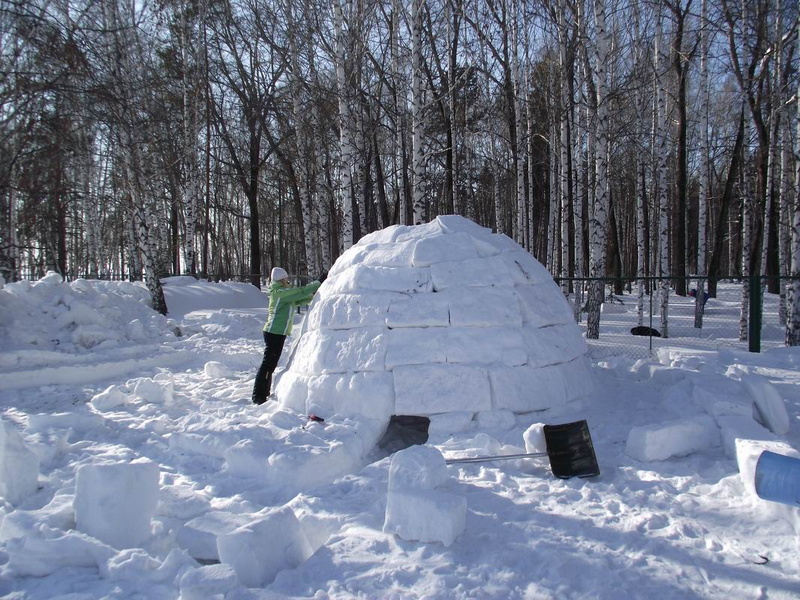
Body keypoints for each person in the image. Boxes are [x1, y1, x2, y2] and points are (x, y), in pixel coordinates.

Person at [252, 267, 326, 405]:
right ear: (281, 279)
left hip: (278, 333)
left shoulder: (283, 294)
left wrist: (315, 296)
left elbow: (299, 300)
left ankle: (262, 393)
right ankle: (258, 396)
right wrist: (317, 283)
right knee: (268, 365)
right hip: (274, 332)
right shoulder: (280, 292)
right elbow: (299, 292)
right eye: (286, 278)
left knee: (270, 365)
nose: (288, 280)